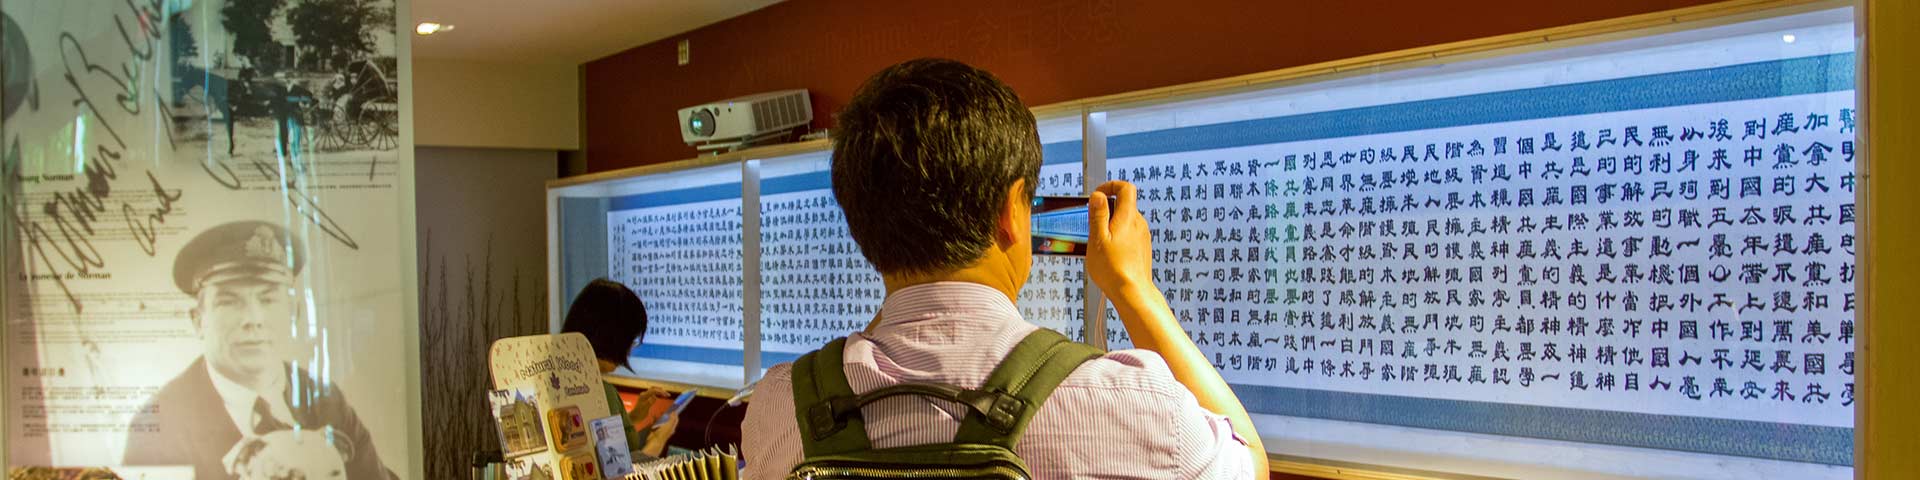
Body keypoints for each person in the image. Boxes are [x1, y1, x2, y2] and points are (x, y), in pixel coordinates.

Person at [740, 58, 1267, 479]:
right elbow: (1249, 464)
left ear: (860, 225)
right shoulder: (1131, 404)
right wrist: (1135, 289)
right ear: (1009, 213)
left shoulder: (779, 409)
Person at [123, 221, 395, 479]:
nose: (253, 319)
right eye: (230, 302)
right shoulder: (160, 426)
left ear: (293, 314)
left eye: (268, 300)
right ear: (198, 321)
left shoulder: (326, 403)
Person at [561, 278, 681, 458]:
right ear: (613, 339)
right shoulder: (601, 392)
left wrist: (632, 418)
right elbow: (619, 470)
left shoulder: (560, 380)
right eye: (630, 340)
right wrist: (658, 440)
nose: (630, 349)